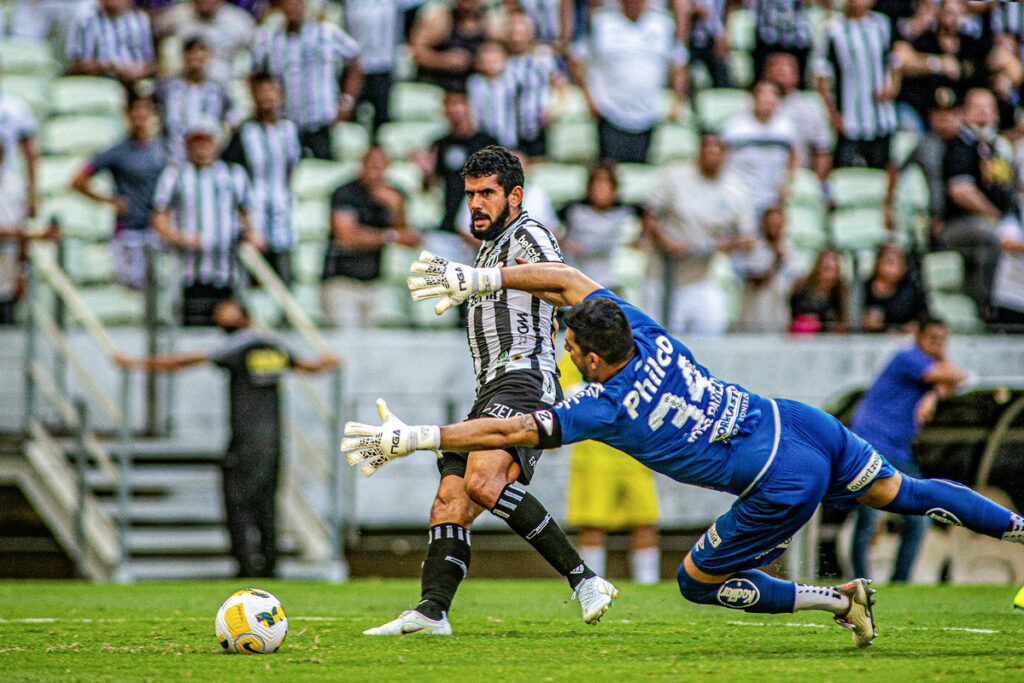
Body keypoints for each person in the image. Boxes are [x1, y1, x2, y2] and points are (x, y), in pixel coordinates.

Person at [351, 256, 1024, 648]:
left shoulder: (601, 405)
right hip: (799, 422)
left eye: (568, 344)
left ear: (588, 355)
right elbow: (569, 277)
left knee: (695, 584)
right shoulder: (639, 328)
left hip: (775, 479)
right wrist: (480, 277)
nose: (564, 347)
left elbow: (503, 432)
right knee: (909, 493)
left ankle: (839, 599)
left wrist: (412, 438)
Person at [361, 146, 617, 636]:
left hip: (527, 379)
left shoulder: (529, 233)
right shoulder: (486, 246)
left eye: (487, 194)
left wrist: (480, 279)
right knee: (449, 500)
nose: (476, 204)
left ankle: (585, 580)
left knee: (481, 480)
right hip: (490, 387)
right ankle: (432, 611)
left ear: (515, 195)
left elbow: (565, 282)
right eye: (470, 194)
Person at [115, 299, 338, 577]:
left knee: (238, 505)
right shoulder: (274, 346)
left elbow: (189, 360)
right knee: (266, 505)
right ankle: (269, 568)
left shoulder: (239, 346)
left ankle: (247, 568)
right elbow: (309, 367)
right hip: (272, 443)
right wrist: (327, 363)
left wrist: (138, 363)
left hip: (245, 441)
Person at [849, 318, 966, 583]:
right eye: (933, 339)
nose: (938, 345)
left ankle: (900, 581)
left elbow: (957, 381)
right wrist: (939, 385)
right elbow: (956, 375)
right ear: (919, 338)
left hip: (898, 450)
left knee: (919, 517)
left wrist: (933, 395)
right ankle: (859, 581)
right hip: (873, 442)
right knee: (869, 515)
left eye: (943, 340)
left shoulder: (927, 365)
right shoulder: (909, 357)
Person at [558, 351, 661, 585]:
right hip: (593, 451)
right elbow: (564, 392)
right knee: (592, 522)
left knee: (645, 519)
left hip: (633, 450)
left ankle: (648, 582)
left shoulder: (635, 351)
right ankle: (592, 583)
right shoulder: (578, 352)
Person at [642, 131, 756, 335]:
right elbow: (650, 215)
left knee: (712, 326)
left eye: (717, 151)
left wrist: (729, 245)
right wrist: (666, 241)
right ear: (699, 153)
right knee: (659, 340)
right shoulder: (675, 178)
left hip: (702, 274)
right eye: (707, 150)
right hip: (663, 275)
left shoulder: (735, 190)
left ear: (725, 155)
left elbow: (748, 237)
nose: (712, 155)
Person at [152, 117, 262, 326]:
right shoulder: (174, 175)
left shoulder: (233, 174)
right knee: (190, 324)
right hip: (188, 270)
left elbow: (247, 214)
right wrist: (181, 238)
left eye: (207, 141)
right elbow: (159, 218)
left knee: (229, 321)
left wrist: (251, 237)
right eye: (196, 142)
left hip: (226, 269)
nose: (201, 148)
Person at [72, 88, 167, 291]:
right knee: (131, 289)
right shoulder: (118, 151)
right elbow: (78, 180)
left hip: (157, 229)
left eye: (145, 113)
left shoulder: (162, 150)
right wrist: (109, 200)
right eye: (136, 114)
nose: (141, 119)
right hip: (129, 230)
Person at [569, 0, 687, 163]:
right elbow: (576, 59)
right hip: (610, 112)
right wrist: (589, 97)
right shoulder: (601, 22)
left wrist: (677, 99)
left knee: (642, 177)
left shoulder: (663, 24)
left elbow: (680, 62)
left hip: (649, 114)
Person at [250, 0, 363, 160]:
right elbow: (255, 73)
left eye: (297, 4)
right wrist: (262, 105)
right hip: (286, 122)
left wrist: (347, 100)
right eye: (289, 5)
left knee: (323, 169)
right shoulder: (270, 39)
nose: (294, 9)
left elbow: (355, 59)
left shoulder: (326, 32)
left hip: (322, 120)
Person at [321, 147, 420, 328]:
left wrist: (396, 208)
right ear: (362, 166)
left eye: (380, 167)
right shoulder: (345, 193)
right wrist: (390, 237)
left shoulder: (392, 195)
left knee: (375, 345)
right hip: (343, 281)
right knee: (346, 339)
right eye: (372, 166)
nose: (375, 173)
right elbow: (346, 237)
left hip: (374, 282)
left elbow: (409, 238)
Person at [221, 74, 301, 286]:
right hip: (253, 207)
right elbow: (232, 175)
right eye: (262, 92)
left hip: (282, 205)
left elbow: (291, 166)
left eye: (272, 91)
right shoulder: (245, 132)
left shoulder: (289, 130)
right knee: (252, 268)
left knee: (284, 268)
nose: (267, 97)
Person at [941, 88, 1016, 311]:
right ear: (965, 113)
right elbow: (961, 192)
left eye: (988, 108)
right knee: (995, 235)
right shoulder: (960, 146)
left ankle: (1015, 308)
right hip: (959, 224)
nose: (983, 114)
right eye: (977, 108)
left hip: (999, 218)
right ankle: (990, 306)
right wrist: (995, 215)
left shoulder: (997, 147)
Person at [412, 90, 498, 266]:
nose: (454, 110)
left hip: (482, 229)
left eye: (458, 104)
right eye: (449, 105)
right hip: (449, 229)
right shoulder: (440, 144)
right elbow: (428, 189)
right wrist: (426, 173)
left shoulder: (487, 142)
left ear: (468, 106)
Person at [813, 0, 899, 170]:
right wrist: (833, 113)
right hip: (849, 118)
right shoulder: (833, 29)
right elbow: (821, 74)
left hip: (881, 116)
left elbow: (894, 61)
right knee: (846, 174)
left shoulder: (882, 24)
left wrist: (893, 86)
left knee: (880, 174)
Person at [720, 80, 798, 216]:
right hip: (741, 195)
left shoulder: (786, 129)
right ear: (753, 100)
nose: (767, 105)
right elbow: (722, 157)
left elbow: (794, 155)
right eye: (763, 100)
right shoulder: (734, 129)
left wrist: (788, 182)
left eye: (771, 101)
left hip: (772, 198)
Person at [560, 162, 638, 291]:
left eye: (606, 184)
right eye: (597, 184)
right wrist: (564, 241)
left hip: (612, 283)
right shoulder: (573, 212)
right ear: (589, 187)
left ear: (615, 189)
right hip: (578, 280)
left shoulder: (627, 215)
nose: (601, 189)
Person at [158, 36, 237, 164]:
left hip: (208, 158)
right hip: (174, 156)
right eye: (192, 58)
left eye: (201, 59)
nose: (196, 64)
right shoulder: (169, 88)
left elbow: (229, 121)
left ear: (208, 59)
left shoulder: (217, 90)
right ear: (184, 58)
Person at [734, 206, 802, 333]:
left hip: (779, 311)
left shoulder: (790, 249)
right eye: (771, 223)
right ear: (764, 224)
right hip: (755, 313)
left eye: (778, 224)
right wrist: (777, 260)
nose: (775, 227)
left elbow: (795, 283)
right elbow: (755, 279)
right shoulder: (754, 247)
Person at [154, 0, 256, 84]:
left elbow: (253, 53)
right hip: (182, 83)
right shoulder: (175, 15)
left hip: (225, 84)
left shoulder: (240, 22)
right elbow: (155, 36)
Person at [66, 0, 156, 83]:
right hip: (100, 81)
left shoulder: (140, 19)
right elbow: (75, 66)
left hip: (137, 81)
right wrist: (112, 68)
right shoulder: (85, 19)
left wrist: (141, 71)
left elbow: (150, 61)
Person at [861, 243, 928, 333]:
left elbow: (923, 319)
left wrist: (910, 328)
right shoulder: (862, 289)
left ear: (904, 267)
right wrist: (864, 320)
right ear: (878, 263)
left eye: (898, 262)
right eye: (889, 261)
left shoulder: (913, 291)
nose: (892, 268)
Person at [789, 248, 848, 333]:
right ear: (817, 267)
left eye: (835, 271)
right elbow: (790, 319)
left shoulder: (839, 295)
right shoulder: (801, 289)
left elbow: (842, 326)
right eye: (826, 269)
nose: (830, 275)